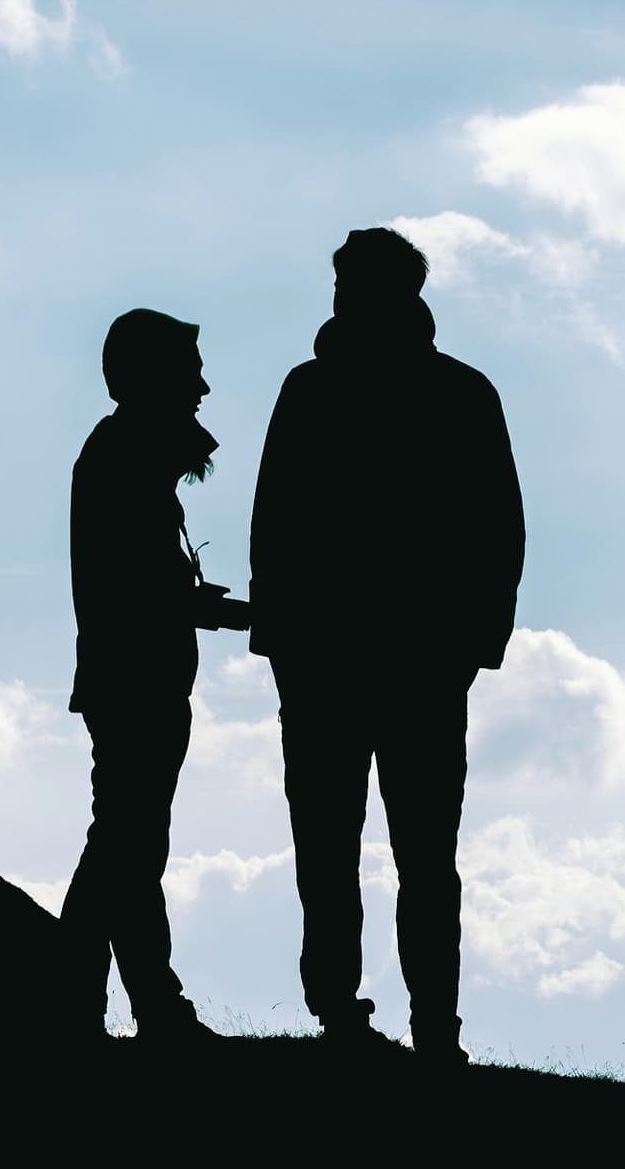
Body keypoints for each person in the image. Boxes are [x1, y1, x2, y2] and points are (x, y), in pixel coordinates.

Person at [247, 229, 526, 1060]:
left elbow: (498, 529)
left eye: (352, 281)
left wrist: (471, 644)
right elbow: (276, 525)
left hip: (400, 662)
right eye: (340, 280)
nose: (339, 294)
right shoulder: (333, 391)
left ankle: (424, 1024)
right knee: (346, 851)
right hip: (354, 661)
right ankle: (354, 1015)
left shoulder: (448, 394)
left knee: (410, 855)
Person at [63, 308, 252, 1044]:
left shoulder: (124, 454)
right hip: (135, 684)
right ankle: (104, 1003)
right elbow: (143, 586)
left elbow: (146, 582)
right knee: (124, 849)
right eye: (189, 371)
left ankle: (146, 1006)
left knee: (130, 847)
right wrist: (237, 617)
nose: (203, 387)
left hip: (134, 682)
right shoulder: (125, 455)